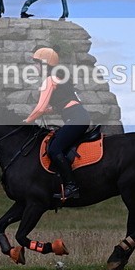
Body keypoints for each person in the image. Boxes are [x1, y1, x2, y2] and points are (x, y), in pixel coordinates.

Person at [24, 46, 89, 200]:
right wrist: (44, 112)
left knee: (54, 149)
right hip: (78, 117)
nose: (34, 66)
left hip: (76, 119)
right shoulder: (58, 78)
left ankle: (72, 187)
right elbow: (58, 105)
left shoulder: (50, 80)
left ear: (45, 64)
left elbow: (40, 108)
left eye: (36, 63)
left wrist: (27, 121)